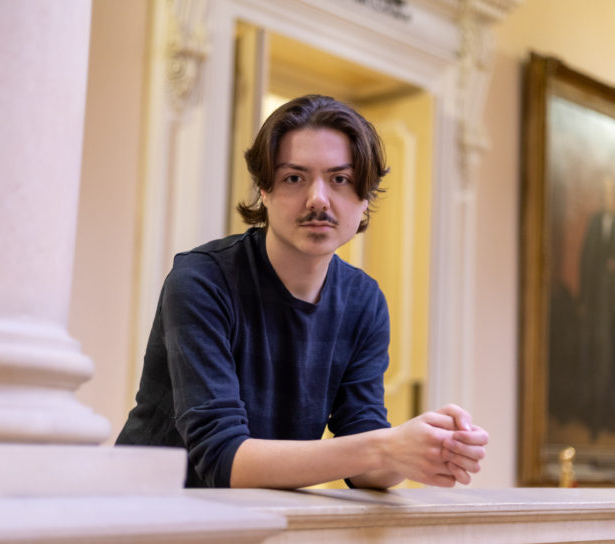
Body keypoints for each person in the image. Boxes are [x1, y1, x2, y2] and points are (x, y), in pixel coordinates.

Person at [116, 94, 489, 489]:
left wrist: (425, 450)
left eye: (340, 179)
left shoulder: (363, 301)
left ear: (364, 198)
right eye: (294, 178)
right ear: (264, 189)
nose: (318, 199)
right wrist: (385, 447)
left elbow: (363, 463)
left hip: (258, 519)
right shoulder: (202, 280)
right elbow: (224, 461)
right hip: (144, 513)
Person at [577, 174, 615, 439]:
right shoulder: (593, 226)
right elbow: (584, 262)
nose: (607, 198)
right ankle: (595, 416)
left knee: (613, 360)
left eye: (611, 194)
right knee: (596, 358)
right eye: (603, 194)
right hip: (595, 306)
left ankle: (612, 416)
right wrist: (583, 300)